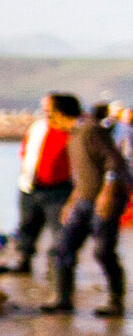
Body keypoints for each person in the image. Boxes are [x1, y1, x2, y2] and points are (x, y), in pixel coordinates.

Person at [46, 100, 130, 317]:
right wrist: (71, 202)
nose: (47, 118)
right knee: (63, 249)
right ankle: (63, 299)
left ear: (59, 113)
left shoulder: (91, 131)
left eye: (49, 113)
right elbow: (83, 174)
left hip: (104, 202)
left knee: (103, 251)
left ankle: (116, 302)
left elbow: (115, 163)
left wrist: (106, 195)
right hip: (83, 201)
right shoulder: (74, 135)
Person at [11, 92, 81, 273]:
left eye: (49, 108)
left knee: (59, 229)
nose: (46, 112)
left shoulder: (70, 130)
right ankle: (24, 260)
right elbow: (26, 151)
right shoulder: (38, 127)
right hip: (30, 187)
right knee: (27, 225)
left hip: (58, 189)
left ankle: (57, 265)